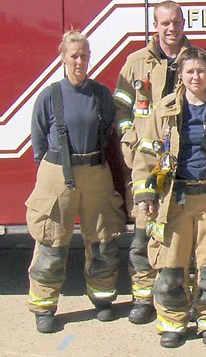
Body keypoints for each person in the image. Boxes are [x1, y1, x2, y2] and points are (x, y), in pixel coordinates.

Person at [131, 47, 206, 348]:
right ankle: (172, 323)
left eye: (201, 71)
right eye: (190, 72)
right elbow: (146, 156)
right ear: (182, 76)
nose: (195, 76)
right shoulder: (164, 109)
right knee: (170, 267)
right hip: (173, 200)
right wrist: (146, 195)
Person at [113, 0, 206, 324]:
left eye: (176, 21)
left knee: (185, 242)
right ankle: (143, 298)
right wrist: (128, 138)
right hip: (152, 164)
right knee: (146, 233)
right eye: (165, 23)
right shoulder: (136, 63)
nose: (171, 28)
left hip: (188, 169)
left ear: (184, 23)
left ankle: (184, 301)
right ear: (155, 26)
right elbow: (120, 106)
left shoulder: (201, 61)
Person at [26, 30, 125, 333]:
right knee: (52, 242)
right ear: (63, 58)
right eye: (74, 55)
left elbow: (108, 127)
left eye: (84, 55)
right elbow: (39, 138)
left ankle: (103, 299)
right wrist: (54, 166)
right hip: (57, 172)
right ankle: (44, 307)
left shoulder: (101, 94)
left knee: (103, 240)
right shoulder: (50, 95)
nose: (80, 60)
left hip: (95, 170)